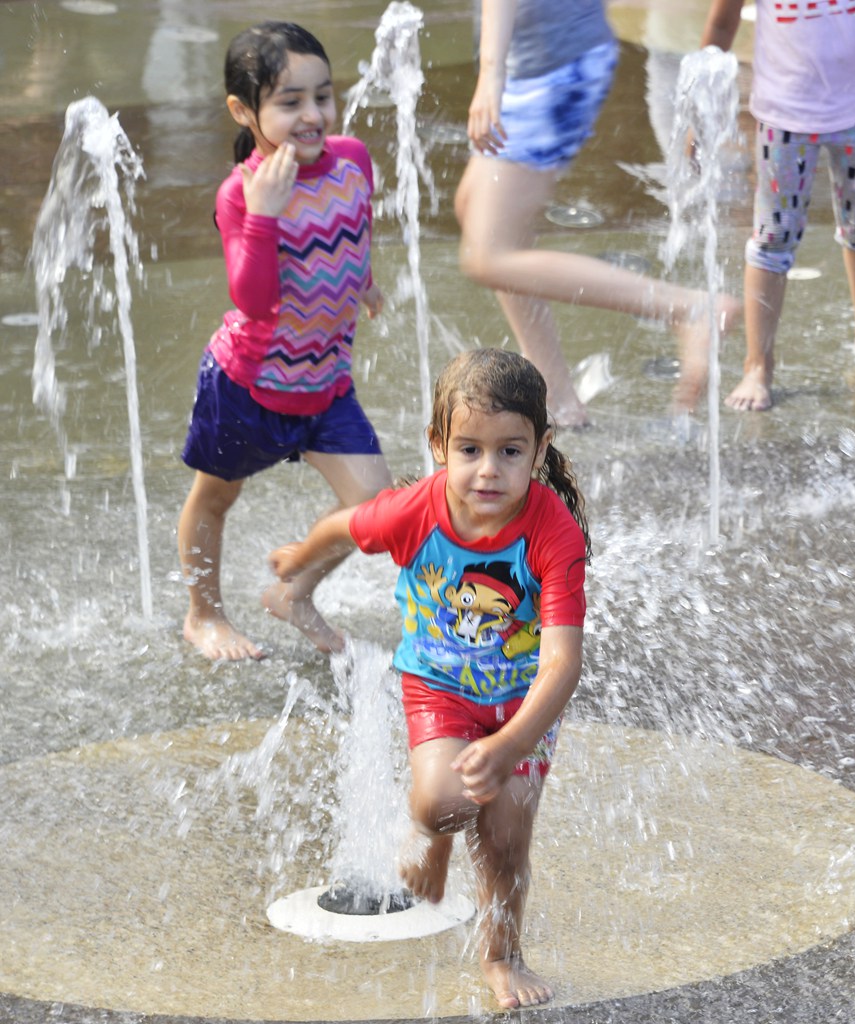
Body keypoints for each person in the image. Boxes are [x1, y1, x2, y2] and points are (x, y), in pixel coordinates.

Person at [269, 349, 588, 1009]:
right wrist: (300, 565)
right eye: (469, 449)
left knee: (504, 845)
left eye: (509, 451)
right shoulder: (416, 511)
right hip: (438, 687)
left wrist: (509, 747)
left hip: (523, 708)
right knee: (440, 803)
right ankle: (430, 837)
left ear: (540, 448)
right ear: (439, 446)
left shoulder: (550, 533)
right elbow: (345, 527)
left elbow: (561, 662)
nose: (488, 470)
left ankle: (502, 958)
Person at [177, 22, 392, 661]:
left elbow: (353, 225)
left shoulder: (352, 157)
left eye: (322, 96)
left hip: (325, 385)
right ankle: (203, 614)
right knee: (214, 498)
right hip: (248, 385)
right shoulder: (243, 193)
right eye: (290, 102)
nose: (312, 114)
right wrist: (265, 214)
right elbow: (254, 298)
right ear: (245, 111)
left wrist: (365, 280)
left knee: (378, 513)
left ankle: (294, 587)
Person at [455, 0, 739, 426]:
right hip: (544, 59)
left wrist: (490, 75)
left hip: (548, 70)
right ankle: (558, 396)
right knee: (473, 209)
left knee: (488, 255)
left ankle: (685, 308)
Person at [700, 0, 855, 411]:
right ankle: (758, 364)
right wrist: (701, 104)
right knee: (772, 238)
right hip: (785, 117)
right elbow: (723, 20)